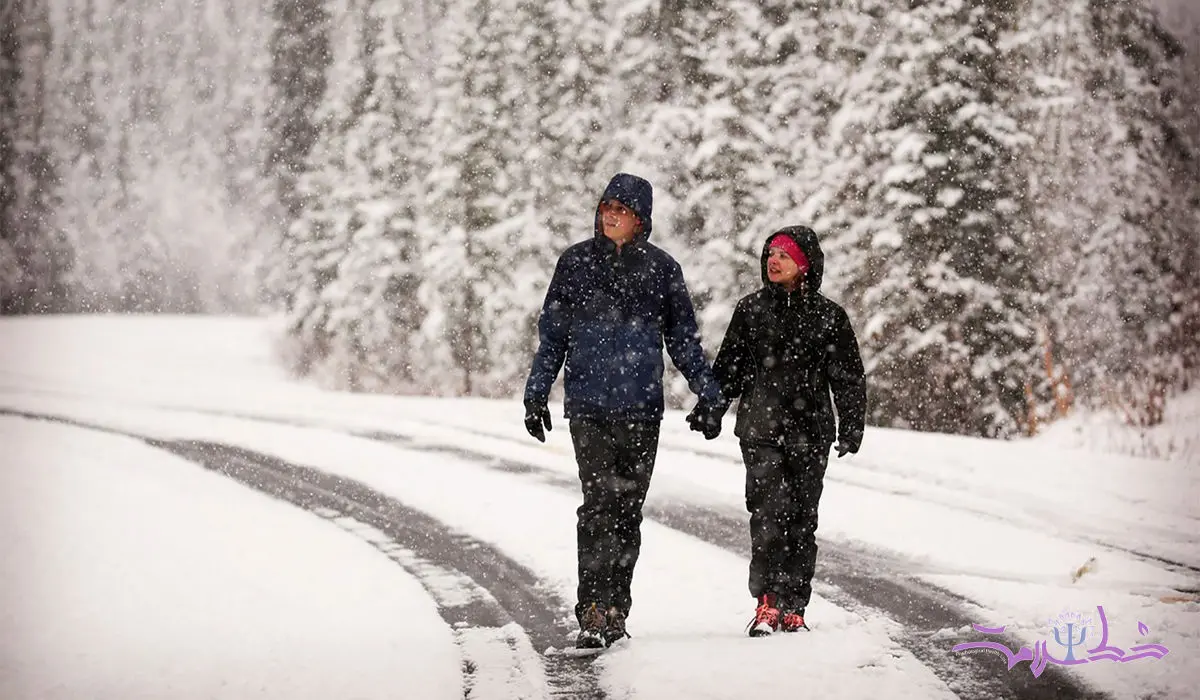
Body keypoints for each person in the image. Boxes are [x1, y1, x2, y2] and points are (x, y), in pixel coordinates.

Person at [522, 172, 726, 649]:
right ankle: (592, 609)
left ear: (641, 220)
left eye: (622, 209)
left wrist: (710, 393)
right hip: (589, 408)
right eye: (605, 206)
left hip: (640, 409)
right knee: (598, 508)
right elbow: (552, 335)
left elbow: (683, 340)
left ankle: (617, 608)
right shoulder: (574, 264)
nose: (610, 214)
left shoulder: (661, 269)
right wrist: (536, 393)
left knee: (626, 511)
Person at [709, 225, 866, 637]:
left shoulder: (829, 316)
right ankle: (768, 603)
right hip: (760, 430)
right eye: (770, 253)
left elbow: (847, 376)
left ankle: (795, 605)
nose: (772, 260)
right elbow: (729, 368)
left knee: (801, 519)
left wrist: (851, 423)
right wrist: (711, 409)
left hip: (811, 432)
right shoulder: (751, 310)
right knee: (767, 517)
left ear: (805, 264)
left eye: (783, 254)